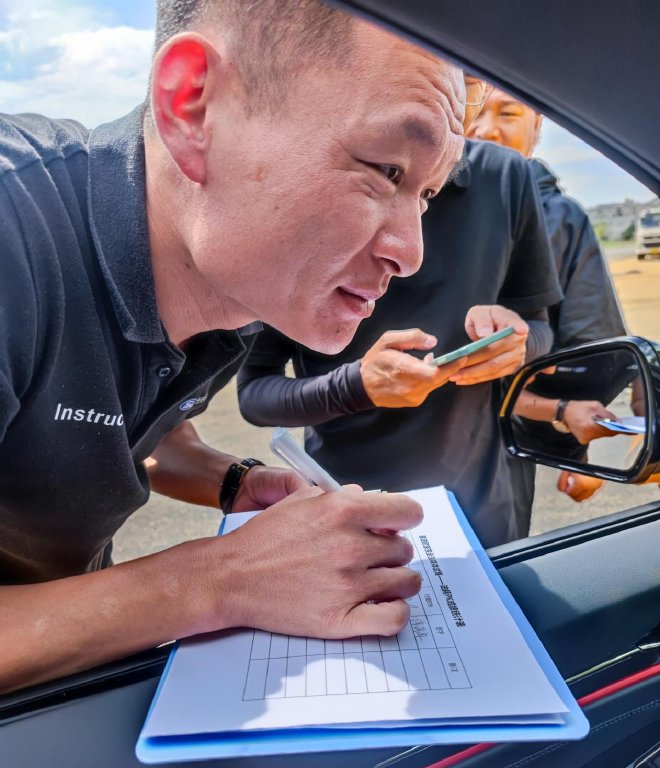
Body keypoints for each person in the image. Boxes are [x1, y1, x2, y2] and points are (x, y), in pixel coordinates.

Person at [0, 0, 468, 693]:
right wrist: (221, 577)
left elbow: (142, 427)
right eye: (384, 168)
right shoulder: (16, 238)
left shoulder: (232, 280)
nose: (411, 252)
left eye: (426, 193)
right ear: (193, 107)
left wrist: (234, 481)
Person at [237, 79, 564, 549]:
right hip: (351, 504)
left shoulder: (507, 177)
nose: (409, 253)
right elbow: (254, 392)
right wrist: (356, 386)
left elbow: (538, 327)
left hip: (482, 506)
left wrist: (516, 343)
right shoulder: (306, 184)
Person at [468, 88, 628, 520]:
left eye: (507, 112)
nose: (486, 128)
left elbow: (587, 349)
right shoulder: (412, 211)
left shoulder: (561, 220)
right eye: (473, 110)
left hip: (499, 457)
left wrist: (578, 448)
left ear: (536, 128)